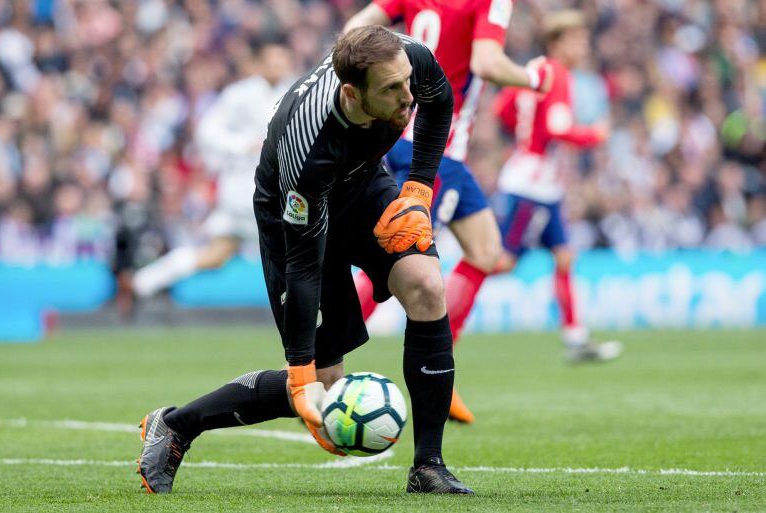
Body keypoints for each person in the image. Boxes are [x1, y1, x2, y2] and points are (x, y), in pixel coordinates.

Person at [137, 26, 474, 495]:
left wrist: (417, 190)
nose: (407, 96)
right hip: (292, 217)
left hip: (362, 186)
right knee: (323, 384)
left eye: (406, 82)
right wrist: (300, 375)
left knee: (426, 285)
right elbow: (304, 267)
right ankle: (177, 425)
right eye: (392, 90)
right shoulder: (308, 148)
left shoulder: (407, 59)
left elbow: (439, 104)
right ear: (353, 94)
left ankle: (429, 465)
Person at [344, 0, 552, 424]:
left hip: (411, 138)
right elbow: (487, 61)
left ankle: (444, 372)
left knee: (485, 249)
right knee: (394, 257)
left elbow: (355, 29)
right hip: (436, 146)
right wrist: (533, 77)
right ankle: (318, 362)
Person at [492, 10, 622, 361]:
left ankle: (576, 338)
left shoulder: (534, 70)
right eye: (576, 39)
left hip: (541, 184)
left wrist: (525, 133)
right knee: (502, 262)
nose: (583, 46)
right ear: (557, 43)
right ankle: (430, 294)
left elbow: (501, 109)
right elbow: (558, 129)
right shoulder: (559, 74)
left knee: (564, 256)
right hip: (531, 186)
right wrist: (596, 134)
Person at [131, 42, 294, 298]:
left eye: (282, 59)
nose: (278, 66)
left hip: (274, 189)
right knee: (300, 247)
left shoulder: (295, 92)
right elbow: (207, 130)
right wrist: (243, 144)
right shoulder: (240, 94)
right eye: (272, 60)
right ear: (259, 63)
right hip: (245, 191)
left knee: (215, 255)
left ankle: (141, 283)